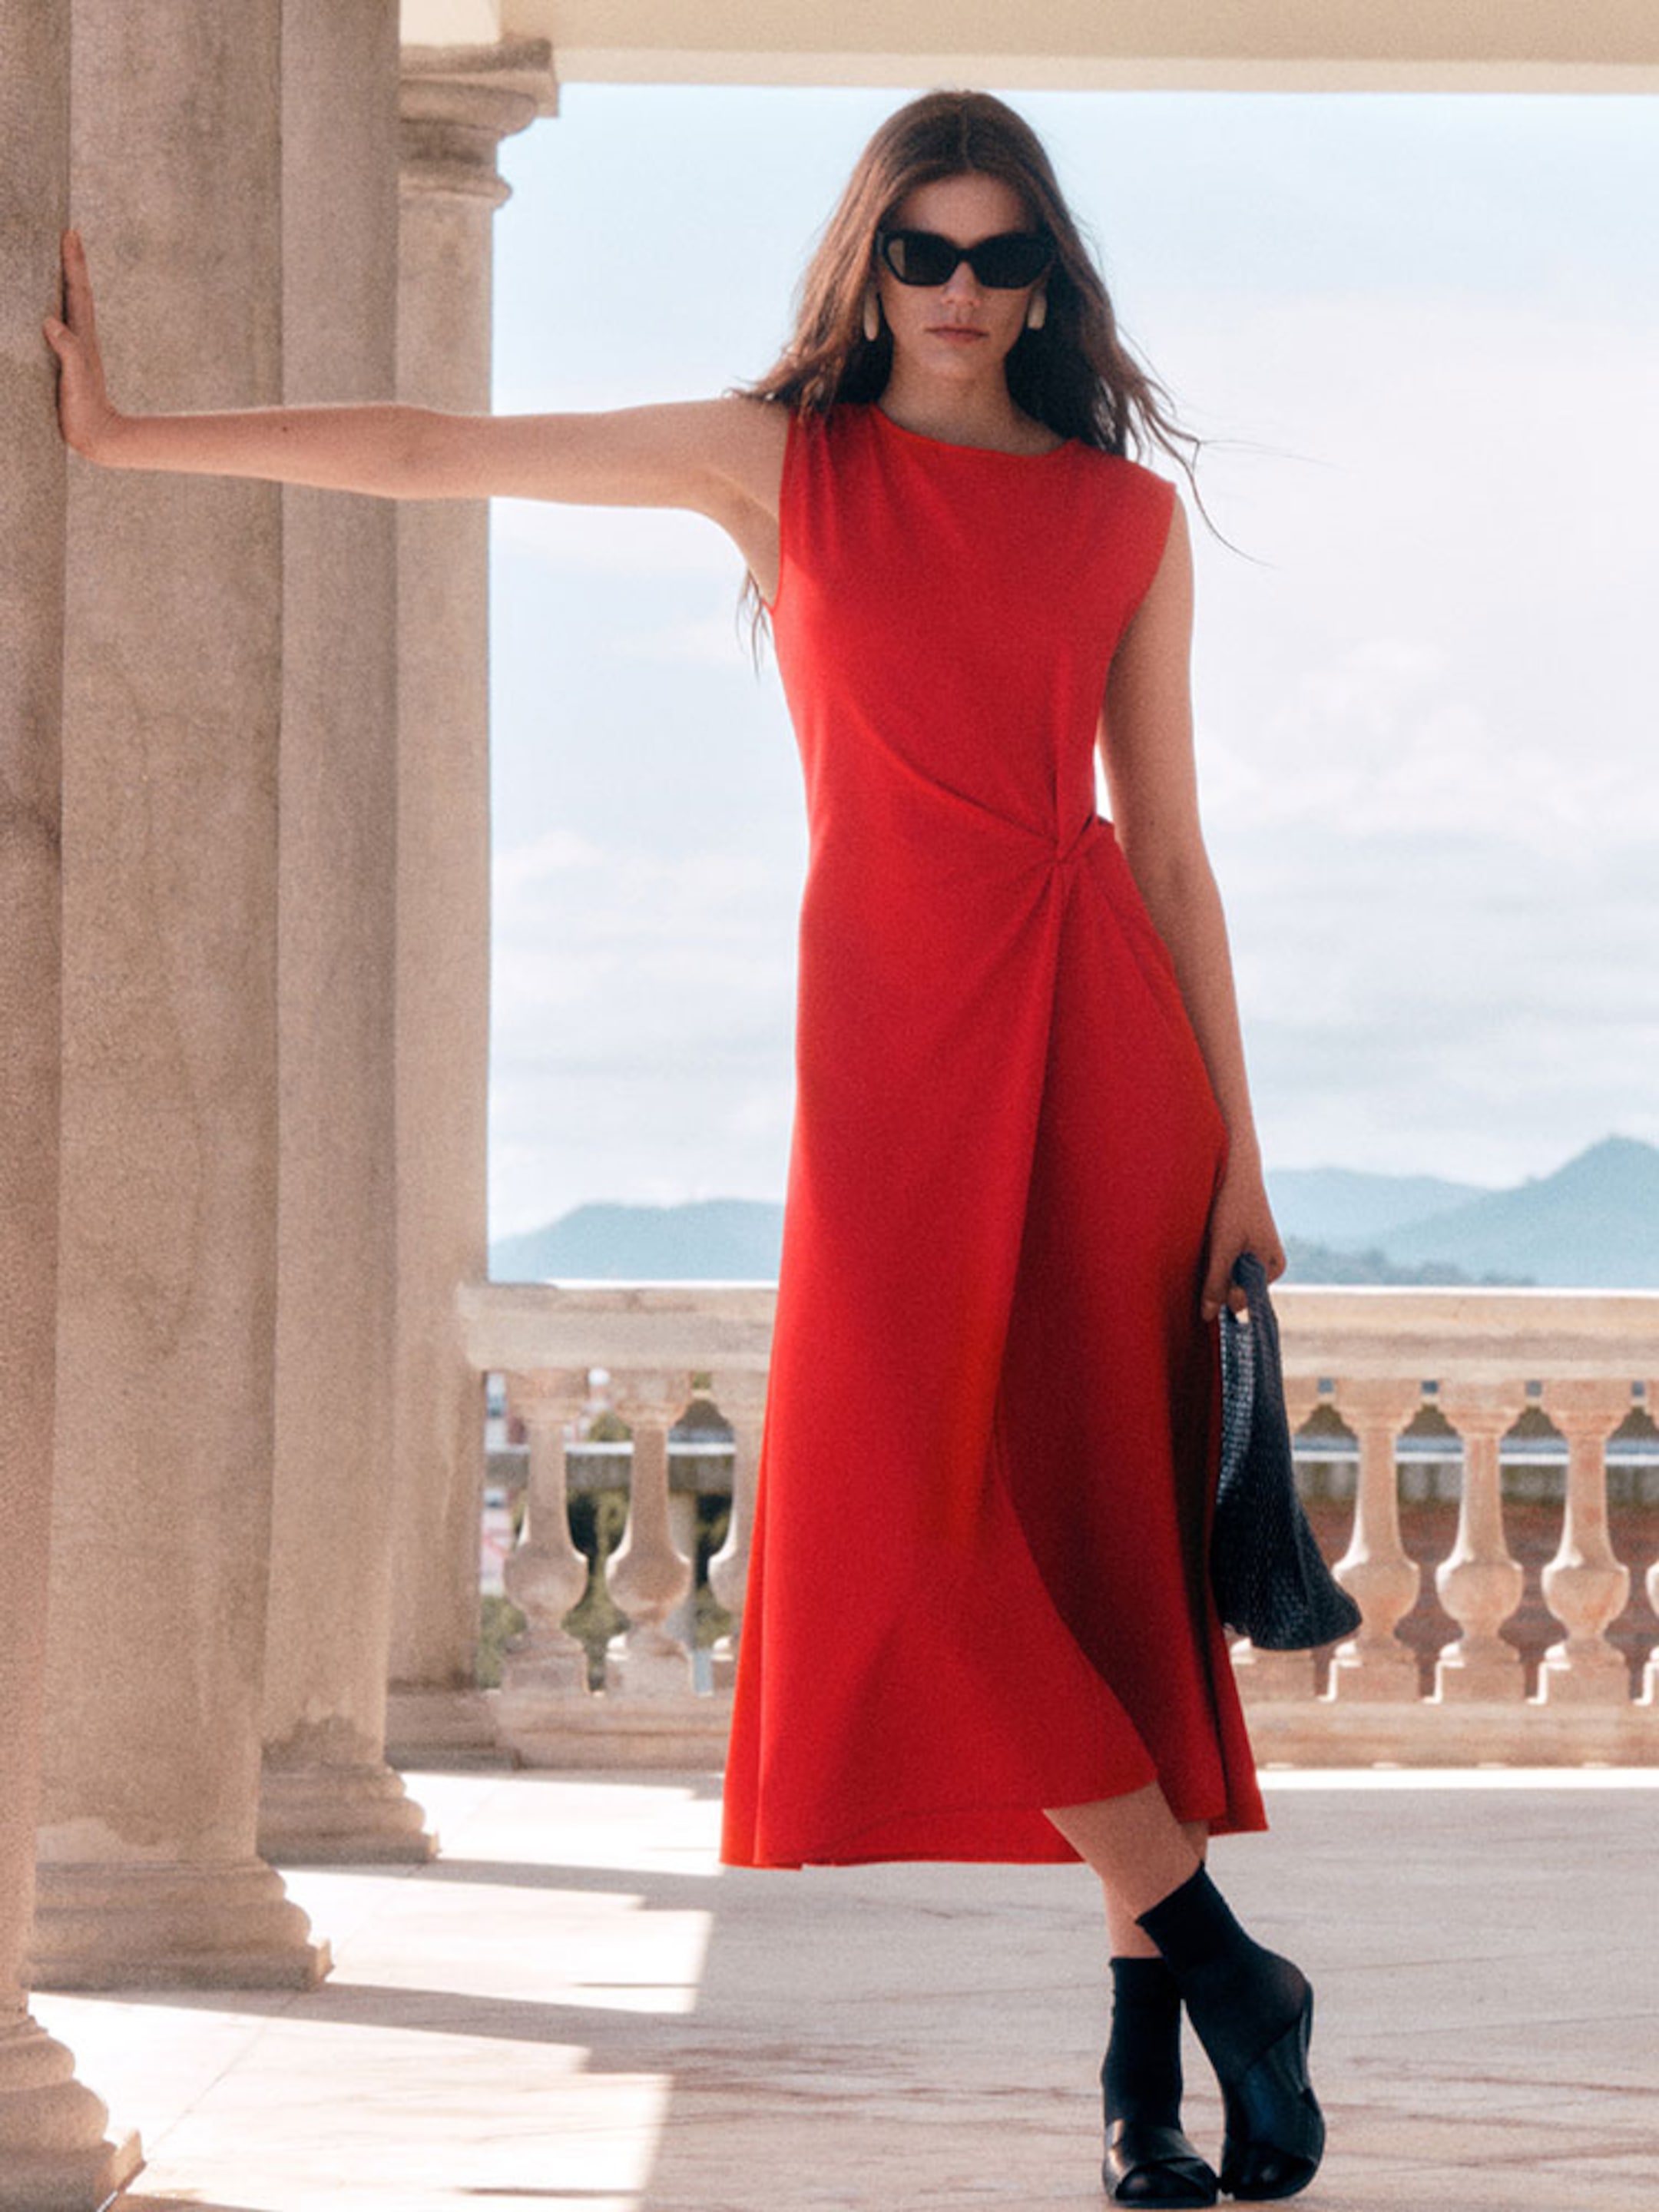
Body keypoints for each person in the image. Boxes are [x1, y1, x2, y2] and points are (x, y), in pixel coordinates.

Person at [47, 88, 1322, 2209]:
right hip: (896, 1043)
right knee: (914, 1530)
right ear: (867, 260)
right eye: (925, 252)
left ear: (1050, 282)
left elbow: (1175, 855)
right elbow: (441, 451)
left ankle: (1147, 2078)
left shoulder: (1120, 516)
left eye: (1005, 259)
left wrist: (1246, 1166)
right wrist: (131, 433)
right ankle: (1223, 1963)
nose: (962, 296)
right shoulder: (781, 465)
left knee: (1086, 1528)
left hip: (1107, 1047)